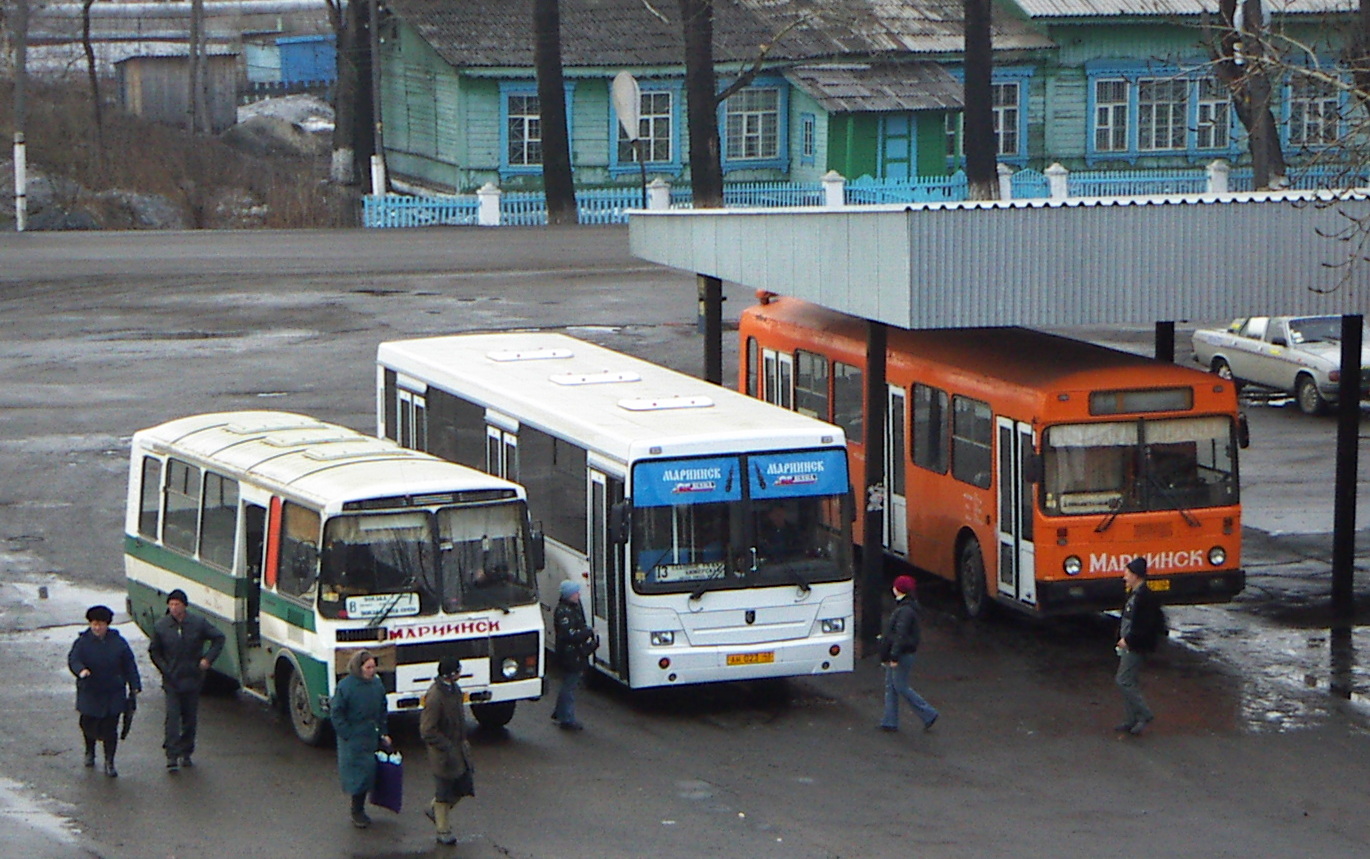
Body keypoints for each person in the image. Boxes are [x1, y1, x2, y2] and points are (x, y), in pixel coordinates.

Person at [148, 588, 225, 772]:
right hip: (172, 680)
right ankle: (172, 755)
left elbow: (219, 638)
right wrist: (165, 669)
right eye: (171, 604)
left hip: (192, 679)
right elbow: (154, 651)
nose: (174, 608)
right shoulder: (161, 626)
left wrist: (207, 659)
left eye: (177, 604)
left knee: (189, 718)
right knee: (172, 718)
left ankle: (187, 751)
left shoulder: (197, 623)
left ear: (184, 605)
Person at [67, 605, 141, 777]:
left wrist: (134, 685)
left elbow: (129, 664)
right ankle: (90, 751)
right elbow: (73, 659)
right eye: (94, 624)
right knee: (88, 724)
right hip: (90, 691)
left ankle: (109, 761)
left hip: (112, 693)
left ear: (107, 624)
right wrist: (81, 670)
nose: (97, 627)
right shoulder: (82, 642)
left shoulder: (118, 643)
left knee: (110, 729)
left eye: (100, 624)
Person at [331, 650, 391, 828]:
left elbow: (382, 710)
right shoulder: (345, 686)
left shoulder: (377, 685)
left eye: (374, 667)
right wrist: (347, 733)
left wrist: (383, 733)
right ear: (359, 667)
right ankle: (357, 810)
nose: (372, 671)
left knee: (368, 773)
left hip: (370, 735)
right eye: (368, 667)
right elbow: (337, 713)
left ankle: (361, 808)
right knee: (357, 776)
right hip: (354, 738)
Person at [420, 656, 474, 845]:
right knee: (443, 791)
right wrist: (447, 747)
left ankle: (434, 809)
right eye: (458, 670)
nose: (460, 672)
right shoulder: (435, 697)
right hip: (443, 755)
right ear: (451, 674)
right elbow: (427, 730)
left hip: (458, 750)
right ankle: (443, 830)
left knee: (463, 785)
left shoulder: (454, 690)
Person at [878, 575, 939, 733]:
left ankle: (928, 713)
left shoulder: (904, 610)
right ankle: (889, 721)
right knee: (891, 686)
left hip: (902, 654)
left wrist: (894, 656)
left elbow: (900, 635)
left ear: (898, 589)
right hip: (902, 652)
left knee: (900, 686)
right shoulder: (908, 607)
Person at [1116, 556, 1164, 736]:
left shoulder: (1145, 597)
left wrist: (1128, 640)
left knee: (1123, 680)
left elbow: (1144, 624)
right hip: (1129, 643)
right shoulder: (1135, 594)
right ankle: (1131, 719)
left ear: (1136, 575)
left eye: (1127, 573)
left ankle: (1144, 714)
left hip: (1135, 645)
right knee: (1130, 680)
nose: (1124, 576)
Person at [552, 579, 597, 731]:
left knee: (568, 684)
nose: (578, 594)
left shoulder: (574, 608)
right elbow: (570, 635)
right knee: (569, 687)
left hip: (574, 654)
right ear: (569, 595)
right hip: (569, 655)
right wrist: (588, 632)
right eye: (575, 592)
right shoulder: (564, 612)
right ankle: (567, 719)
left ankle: (560, 712)